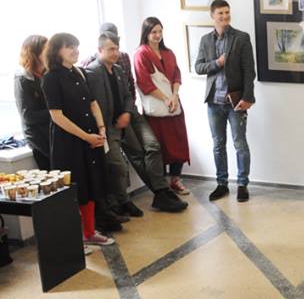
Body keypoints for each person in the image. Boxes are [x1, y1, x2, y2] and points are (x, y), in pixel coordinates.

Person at [82, 22, 187, 213]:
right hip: (108, 125)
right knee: (119, 165)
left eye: (117, 48)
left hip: (129, 116)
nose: (116, 53)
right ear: (100, 49)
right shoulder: (92, 71)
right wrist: (105, 126)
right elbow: (94, 104)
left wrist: (127, 113)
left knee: (152, 146)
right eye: (111, 49)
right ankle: (126, 200)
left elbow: (128, 94)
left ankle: (161, 192)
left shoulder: (119, 68)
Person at [40, 33, 115, 247]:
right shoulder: (51, 78)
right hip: (69, 142)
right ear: (56, 51)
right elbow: (57, 116)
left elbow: (92, 102)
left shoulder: (78, 72)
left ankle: (89, 233)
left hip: (91, 136)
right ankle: (74, 239)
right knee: (74, 188)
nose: (75, 50)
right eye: (69, 47)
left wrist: (101, 129)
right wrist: (86, 136)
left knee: (91, 184)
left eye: (76, 46)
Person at [194, 0, 256, 202]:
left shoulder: (241, 38)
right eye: (220, 13)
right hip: (213, 102)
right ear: (212, 16)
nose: (225, 16)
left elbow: (249, 71)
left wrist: (248, 98)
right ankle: (222, 184)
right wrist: (217, 63)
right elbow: (198, 67)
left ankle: (242, 185)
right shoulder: (205, 40)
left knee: (240, 144)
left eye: (227, 12)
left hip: (235, 101)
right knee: (218, 145)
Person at [133, 17, 191, 197]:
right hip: (157, 109)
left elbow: (177, 76)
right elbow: (144, 83)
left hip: (174, 105)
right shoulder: (141, 54)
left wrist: (174, 96)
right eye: (153, 32)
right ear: (146, 33)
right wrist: (166, 99)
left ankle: (176, 179)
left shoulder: (168, 52)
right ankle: (162, 186)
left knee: (179, 142)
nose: (157, 35)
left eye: (160, 31)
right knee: (160, 145)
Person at [14, 35, 51, 170]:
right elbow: (28, 116)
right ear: (34, 53)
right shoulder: (23, 79)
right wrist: (56, 112)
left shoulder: (48, 74)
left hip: (53, 134)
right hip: (39, 138)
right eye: (46, 49)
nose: (50, 52)